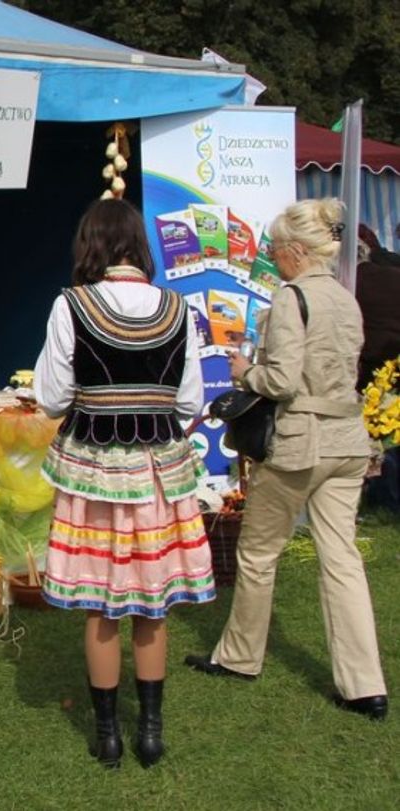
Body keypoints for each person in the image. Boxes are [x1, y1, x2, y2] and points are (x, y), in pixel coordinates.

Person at [186, 198, 388, 722]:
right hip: (347, 440)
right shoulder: (347, 299)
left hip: (299, 441)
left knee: (257, 554)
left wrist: (243, 370)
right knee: (342, 559)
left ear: (297, 251)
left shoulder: (291, 298)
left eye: (275, 248)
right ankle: (365, 684)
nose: (272, 257)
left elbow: (281, 381)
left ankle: (240, 656)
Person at [34, 198, 213, 769]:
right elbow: (188, 400)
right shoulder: (177, 308)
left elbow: (52, 398)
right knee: (151, 604)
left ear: (89, 246)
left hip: (95, 471)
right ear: (138, 245)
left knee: (102, 605)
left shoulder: (72, 306)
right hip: (159, 469)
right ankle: (151, 732)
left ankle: (109, 735)